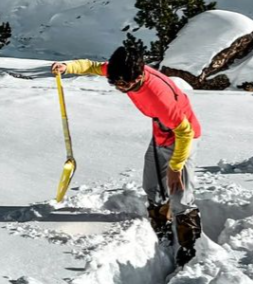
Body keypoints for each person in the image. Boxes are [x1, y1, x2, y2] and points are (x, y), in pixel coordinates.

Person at [51, 44, 202, 267]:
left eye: (124, 84)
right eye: (115, 83)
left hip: (182, 139)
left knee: (180, 195)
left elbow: (185, 131)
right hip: (160, 131)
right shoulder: (122, 70)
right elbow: (92, 66)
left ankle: (190, 251)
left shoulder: (159, 97)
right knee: (151, 185)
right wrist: (68, 66)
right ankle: (161, 232)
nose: (120, 88)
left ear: (139, 75)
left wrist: (175, 166)